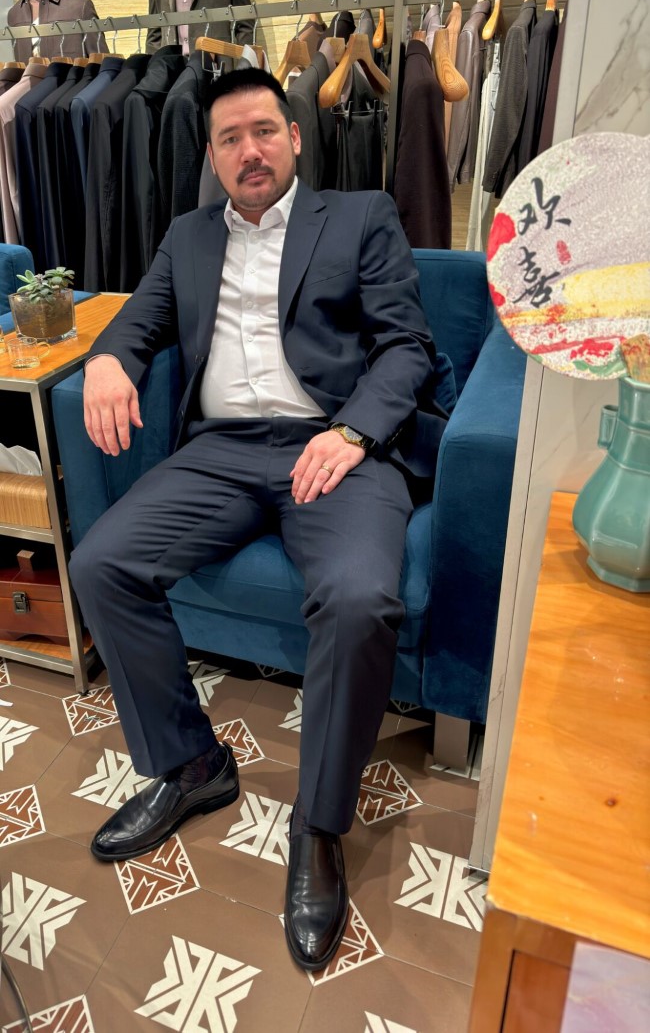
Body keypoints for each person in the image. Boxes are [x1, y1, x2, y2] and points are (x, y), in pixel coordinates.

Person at [70, 68, 446, 973]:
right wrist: (109, 360)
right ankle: (193, 766)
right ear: (211, 155)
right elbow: (139, 321)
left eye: (264, 131)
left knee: (359, 599)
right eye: (231, 138)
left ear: (295, 137)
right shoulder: (188, 236)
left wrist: (354, 432)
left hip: (333, 444)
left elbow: (408, 346)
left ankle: (318, 824)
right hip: (223, 452)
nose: (250, 151)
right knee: (100, 563)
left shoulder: (359, 217)